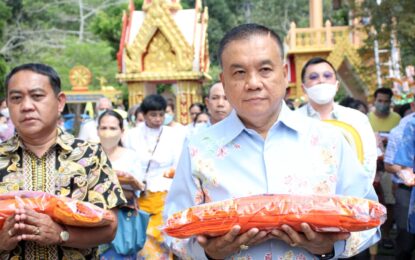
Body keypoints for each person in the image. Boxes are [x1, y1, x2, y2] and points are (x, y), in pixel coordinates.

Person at [164, 23, 380, 259]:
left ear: (285, 74)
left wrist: (328, 248)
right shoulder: (199, 148)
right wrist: (209, 253)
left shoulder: (328, 141)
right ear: (223, 81)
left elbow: (368, 218)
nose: (253, 83)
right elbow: (173, 230)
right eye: (239, 73)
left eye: (265, 69)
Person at [0, 63, 126, 259]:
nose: (26, 106)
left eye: (37, 96)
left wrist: (61, 234)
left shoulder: (89, 155)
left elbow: (110, 228)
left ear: (60, 102)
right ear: (7, 105)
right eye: (16, 98)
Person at [122, 94, 185, 259]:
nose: (158, 119)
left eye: (161, 114)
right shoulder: (131, 135)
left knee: (161, 236)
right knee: (142, 238)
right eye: (153, 115)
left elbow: (179, 164)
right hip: (138, 194)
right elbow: (127, 162)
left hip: (165, 194)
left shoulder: (175, 134)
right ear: (143, 114)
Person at [297, 57, 377, 180]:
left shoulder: (357, 119)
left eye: (327, 76)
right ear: (303, 88)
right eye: (313, 77)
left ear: (337, 85)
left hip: (350, 194)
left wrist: (355, 195)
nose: (321, 80)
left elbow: (368, 160)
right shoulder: (293, 120)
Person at [96, 110, 144, 259]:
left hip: (122, 224)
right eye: (104, 128)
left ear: (122, 131)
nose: (108, 132)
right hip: (92, 223)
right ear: (97, 130)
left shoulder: (131, 156)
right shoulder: (88, 155)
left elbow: (136, 190)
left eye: (112, 128)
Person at [384, 106, 415, 258]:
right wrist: (406, 173)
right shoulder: (405, 128)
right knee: (406, 240)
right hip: (408, 191)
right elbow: (390, 164)